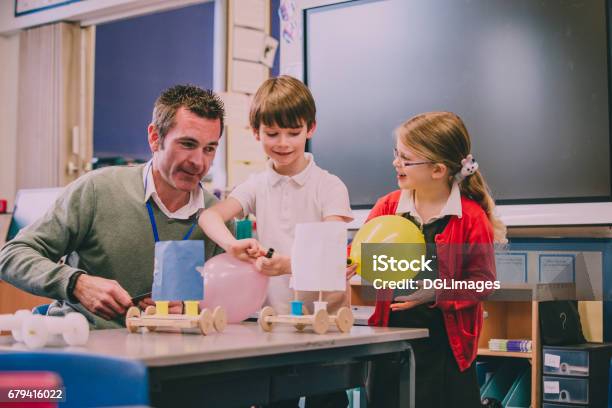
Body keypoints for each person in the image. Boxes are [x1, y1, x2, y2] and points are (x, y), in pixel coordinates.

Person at [0, 84, 232, 329]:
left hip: (174, 355)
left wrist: (190, 308)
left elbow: (227, 300)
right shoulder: (97, 190)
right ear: (155, 137)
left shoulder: (218, 218)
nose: (199, 162)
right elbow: (11, 256)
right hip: (85, 343)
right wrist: (77, 284)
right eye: (187, 144)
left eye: (209, 149)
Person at [199, 76, 353, 408]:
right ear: (256, 132)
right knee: (274, 401)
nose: (283, 142)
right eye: (272, 134)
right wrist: (232, 245)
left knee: (325, 400)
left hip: (321, 326)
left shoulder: (329, 186)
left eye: (293, 133)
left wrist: (286, 264)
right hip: (271, 326)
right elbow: (209, 217)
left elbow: (332, 252)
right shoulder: (256, 185)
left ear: (310, 129)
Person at [366, 112, 505, 407]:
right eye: (396, 154)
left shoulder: (470, 218)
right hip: (392, 349)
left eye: (406, 158)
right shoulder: (387, 207)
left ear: (438, 170)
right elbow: (363, 256)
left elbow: (483, 283)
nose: (396, 163)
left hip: (445, 353)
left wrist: (436, 292)